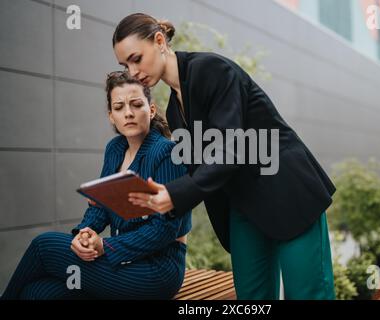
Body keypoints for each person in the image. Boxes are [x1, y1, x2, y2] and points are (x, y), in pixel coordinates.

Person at [114, 13, 336, 300]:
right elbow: (195, 174)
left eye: (136, 58)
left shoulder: (211, 70)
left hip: (288, 193)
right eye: (125, 65)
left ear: (159, 41)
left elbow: (230, 149)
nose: (132, 72)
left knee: (308, 295)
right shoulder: (173, 112)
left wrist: (175, 193)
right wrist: (146, 195)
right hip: (242, 208)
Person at [1, 71, 191, 300]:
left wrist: (104, 245)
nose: (128, 113)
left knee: (44, 246)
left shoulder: (166, 152)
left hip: (156, 271)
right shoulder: (115, 149)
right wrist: (85, 232)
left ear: (150, 110)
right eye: (119, 107)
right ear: (111, 116)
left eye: (136, 104)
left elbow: (164, 230)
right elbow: (100, 205)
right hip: (122, 262)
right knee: (37, 293)